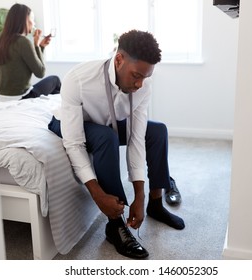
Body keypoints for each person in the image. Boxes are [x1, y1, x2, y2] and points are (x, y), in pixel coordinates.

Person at [48, 30, 184, 259]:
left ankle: (156, 203)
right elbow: (74, 143)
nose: (140, 84)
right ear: (119, 59)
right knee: (105, 137)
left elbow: (136, 139)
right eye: (136, 75)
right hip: (73, 124)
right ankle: (115, 225)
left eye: (146, 77)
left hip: (108, 124)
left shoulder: (143, 86)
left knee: (157, 131)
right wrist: (98, 195)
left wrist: (139, 195)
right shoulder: (79, 79)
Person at [0, 3, 61, 102]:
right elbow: (40, 72)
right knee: (55, 80)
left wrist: (41, 46)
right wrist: (37, 45)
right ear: (25, 20)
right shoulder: (23, 41)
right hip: (20, 97)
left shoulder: (1, 38)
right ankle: (55, 111)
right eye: (32, 19)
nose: (34, 23)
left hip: (1, 97)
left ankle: (48, 106)